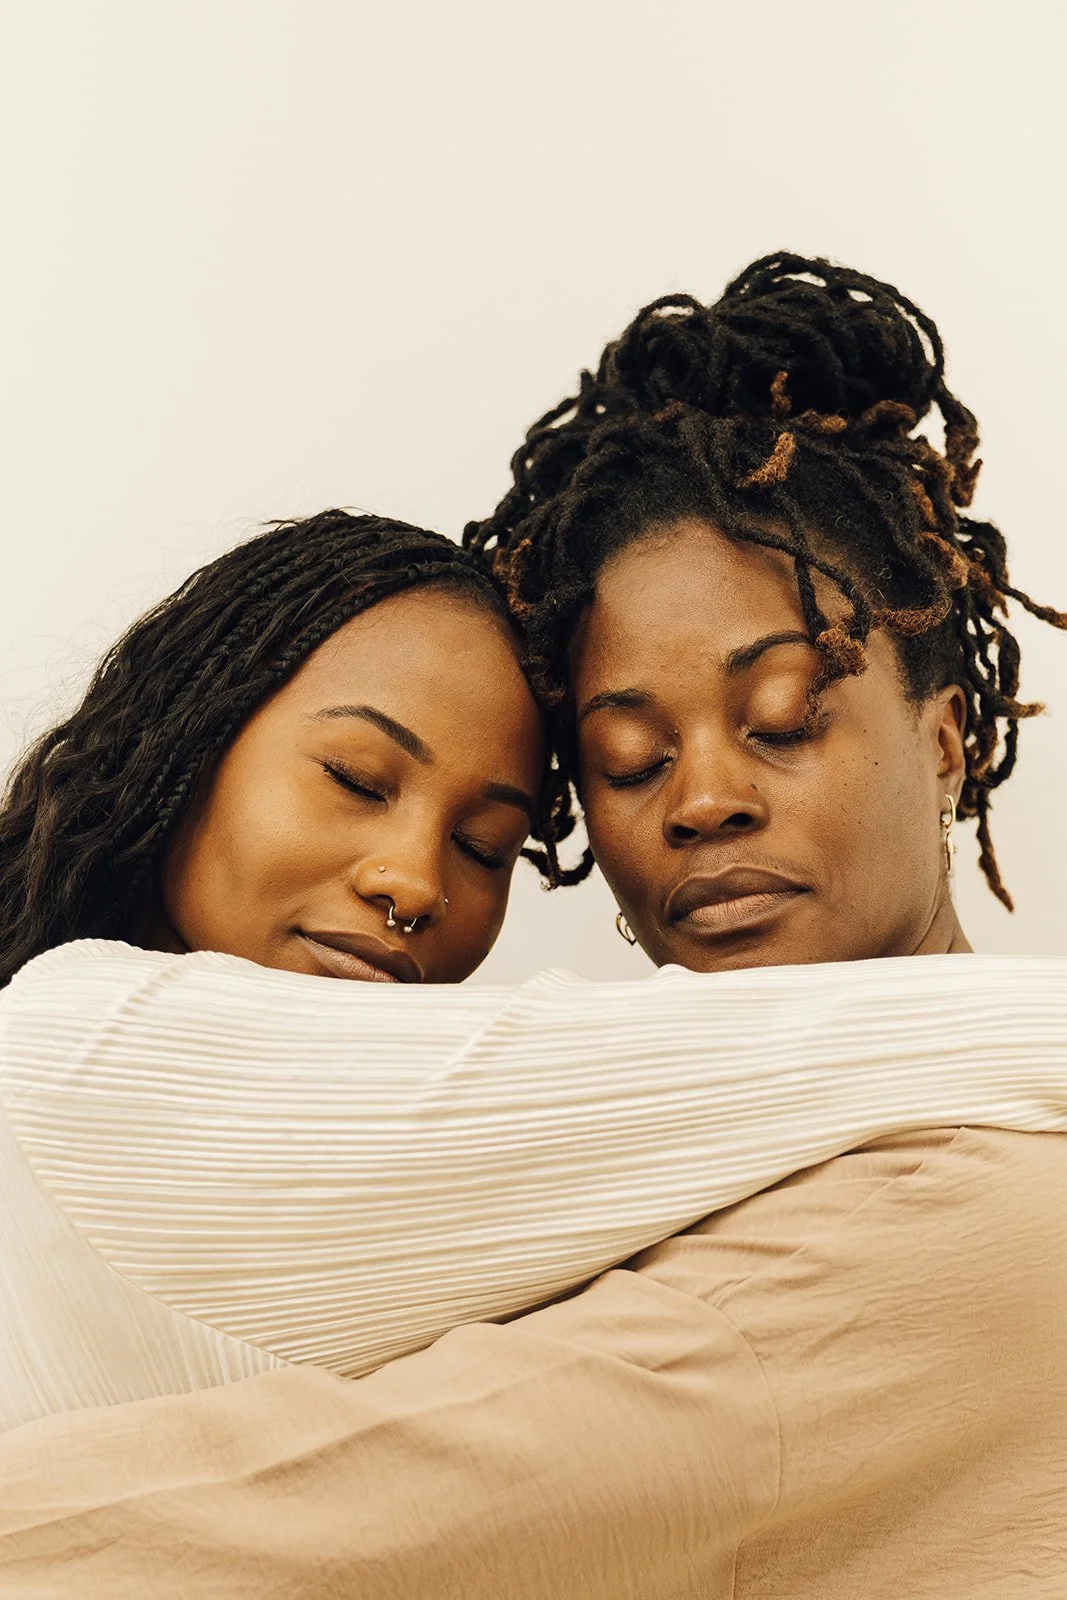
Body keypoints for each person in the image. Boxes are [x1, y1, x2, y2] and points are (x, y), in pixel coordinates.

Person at [2, 256, 1067, 1597]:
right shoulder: (93, 1038)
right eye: (627, 762)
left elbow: (276, 1517)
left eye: (782, 718)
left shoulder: (946, 1211)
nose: (702, 800)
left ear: (947, 738)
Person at [6, 510, 1064, 1432]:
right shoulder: (78, 1039)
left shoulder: (479, 1205)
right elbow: (722, 1059)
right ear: (184, 748)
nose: (414, 881)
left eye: (484, 847)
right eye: (357, 779)